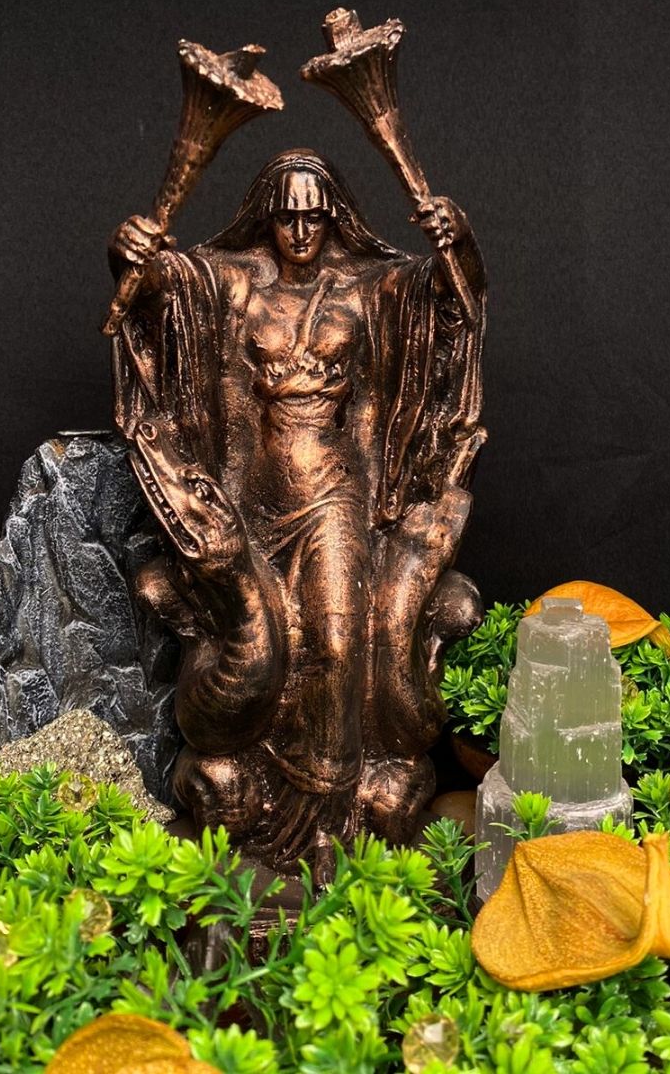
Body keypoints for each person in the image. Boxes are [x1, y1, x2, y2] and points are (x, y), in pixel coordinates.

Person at [109, 149, 485, 874]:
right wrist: (131, 253)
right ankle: (262, 817)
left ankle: (332, 819)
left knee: (339, 646)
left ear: (334, 217)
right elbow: (162, 293)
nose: (302, 231)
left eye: (315, 216)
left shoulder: (365, 291)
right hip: (256, 503)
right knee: (272, 652)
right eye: (287, 216)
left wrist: (458, 239)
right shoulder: (237, 287)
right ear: (267, 217)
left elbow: (451, 300)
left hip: (336, 494)